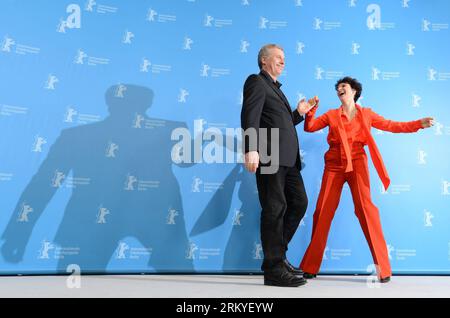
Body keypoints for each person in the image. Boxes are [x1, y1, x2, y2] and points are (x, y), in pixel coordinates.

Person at [299, 77, 434, 283]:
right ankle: (310, 266)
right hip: (334, 164)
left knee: (366, 210)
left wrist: (417, 124)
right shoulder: (331, 115)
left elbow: (391, 125)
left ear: (354, 91)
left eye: (344, 86)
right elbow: (310, 127)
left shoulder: (367, 114)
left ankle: (384, 269)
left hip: (358, 162)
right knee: (322, 210)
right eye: (337, 88)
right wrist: (310, 110)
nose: (339, 89)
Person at [241, 44, 315, 287]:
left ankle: (277, 257)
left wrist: (299, 113)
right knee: (274, 207)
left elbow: (279, 124)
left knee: (299, 202)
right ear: (264, 60)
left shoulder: (275, 88)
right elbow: (250, 115)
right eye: (278, 58)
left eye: (284, 58)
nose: (283, 61)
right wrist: (251, 148)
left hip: (288, 160)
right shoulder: (256, 81)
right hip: (269, 155)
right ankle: (273, 268)